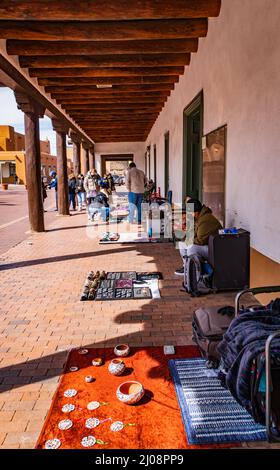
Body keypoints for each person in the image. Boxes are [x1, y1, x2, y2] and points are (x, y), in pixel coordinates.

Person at [175, 198, 222, 275]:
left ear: (196, 212)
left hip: (214, 249)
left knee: (192, 247)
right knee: (181, 244)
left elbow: (200, 241)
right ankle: (186, 267)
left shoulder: (205, 220)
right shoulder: (198, 218)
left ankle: (192, 270)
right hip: (207, 246)